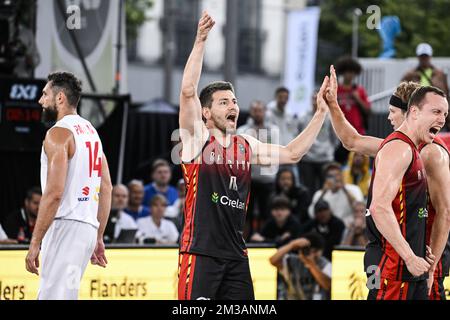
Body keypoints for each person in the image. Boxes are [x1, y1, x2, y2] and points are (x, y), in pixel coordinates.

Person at [177, 11, 330, 300]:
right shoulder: (197, 140)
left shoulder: (246, 144)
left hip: (236, 256)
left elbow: (294, 153)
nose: (233, 106)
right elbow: (187, 92)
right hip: (200, 253)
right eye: (224, 102)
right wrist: (200, 40)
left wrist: (321, 112)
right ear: (206, 113)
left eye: (234, 101)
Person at [326, 67, 450, 300]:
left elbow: (444, 212)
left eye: (393, 111)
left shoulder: (429, 152)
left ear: (410, 113)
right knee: (374, 289)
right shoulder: (399, 147)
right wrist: (333, 104)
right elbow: (351, 141)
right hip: (383, 250)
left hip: (418, 253)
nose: (389, 117)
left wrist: (431, 266)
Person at [24, 72, 112, 300]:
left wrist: (35, 242)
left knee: (53, 296)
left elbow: (54, 193)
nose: (40, 101)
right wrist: (99, 235)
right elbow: (107, 187)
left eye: (45, 94)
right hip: (86, 229)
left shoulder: (58, 133)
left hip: (65, 225)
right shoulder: (92, 132)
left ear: (60, 98)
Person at [237, 100, 279, 236]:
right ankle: (246, 240)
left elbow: (275, 152)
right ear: (250, 112)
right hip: (248, 178)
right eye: (255, 110)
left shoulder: (273, 130)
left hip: (267, 178)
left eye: (260, 110)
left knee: (266, 212)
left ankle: (264, 238)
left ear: (265, 112)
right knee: (245, 213)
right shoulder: (242, 130)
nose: (258, 113)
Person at [269, 232, 332, 300]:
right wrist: (291, 245)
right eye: (308, 251)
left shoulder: (324, 263)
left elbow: (328, 285)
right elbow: (273, 260)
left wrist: (311, 264)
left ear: (321, 251)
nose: (312, 254)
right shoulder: (292, 260)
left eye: (315, 251)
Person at [298, 92, 339, 194]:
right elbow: (298, 136)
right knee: (308, 189)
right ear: (311, 101)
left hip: (325, 158)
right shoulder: (303, 117)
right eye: (314, 99)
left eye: (319, 98)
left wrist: (329, 150)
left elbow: (335, 137)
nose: (316, 101)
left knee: (326, 189)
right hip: (307, 159)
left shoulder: (330, 117)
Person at [334, 56, 371, 164]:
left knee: (358, 164)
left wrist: (357, 98)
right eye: (347, 72)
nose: (350, 75)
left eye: (352, 72)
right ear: (342, 73)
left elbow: (368, 111)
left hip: (357, 134)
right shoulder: (336, 90)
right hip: (339, 135)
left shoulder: (359, 90)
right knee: (339, 165)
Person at [308, 162, 364, 226]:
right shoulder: (319, 194)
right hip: (330, 229)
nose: (336, 178)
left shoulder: (354, 189)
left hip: (350, 227)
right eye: (331, 176)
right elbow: (311, 214)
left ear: (342, 175)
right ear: (326, 178)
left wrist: (344, 189)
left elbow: (360, 211)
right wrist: (324, 192)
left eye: (337, 175)